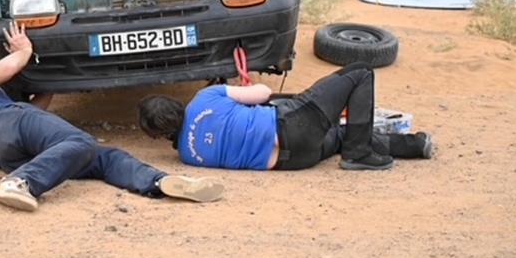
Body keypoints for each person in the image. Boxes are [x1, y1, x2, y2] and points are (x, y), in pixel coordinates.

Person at [0, 22, 225, 212]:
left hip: (5, 153)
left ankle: (158, 182)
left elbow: (36, 113)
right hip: (10, 123)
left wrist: (56, 82)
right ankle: (22, 183)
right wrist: (23, 52)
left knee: (103, 157)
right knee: (82, 142)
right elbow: (3, 71)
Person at [138, 63, 433, 172]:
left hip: (296, 161)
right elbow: (264, 92)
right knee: (360, 73)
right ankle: (359, 154)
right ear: (175, 105)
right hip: (292, 126)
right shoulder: (204, 98)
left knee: (342, 135)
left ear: (157, 134)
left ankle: (413, 145)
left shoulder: (189, 156)